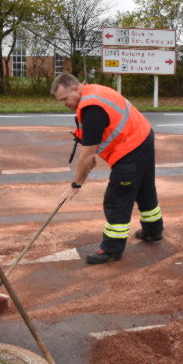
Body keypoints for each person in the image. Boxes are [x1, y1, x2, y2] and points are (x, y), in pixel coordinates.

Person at [52, 73, 164, 264]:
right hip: (143, 136)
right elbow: (94, 141)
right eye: (60, 101)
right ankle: (153, 231)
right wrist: (91, 155)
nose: (64, 104)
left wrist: (76, 184)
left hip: (130, 147)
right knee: (144, 188)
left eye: (65, 99)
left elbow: (87, 154)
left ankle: (111, 249)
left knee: (118, 197)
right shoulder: (93, 92)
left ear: (75, 88)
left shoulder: (92, 109)